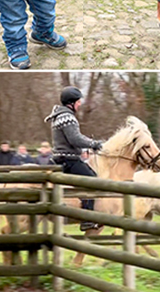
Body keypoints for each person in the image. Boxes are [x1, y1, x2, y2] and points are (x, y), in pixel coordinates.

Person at [45, 86, 104, 231]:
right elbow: (75, 139)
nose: (79, 104)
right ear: (71, 103)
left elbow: (70, 140)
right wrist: (94, 144)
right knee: (92, 180)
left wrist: (84, 149)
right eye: (78, 102)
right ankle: (87, 218)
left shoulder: (60, 116)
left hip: (63, 158)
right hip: (69, 160)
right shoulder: (67, 117)